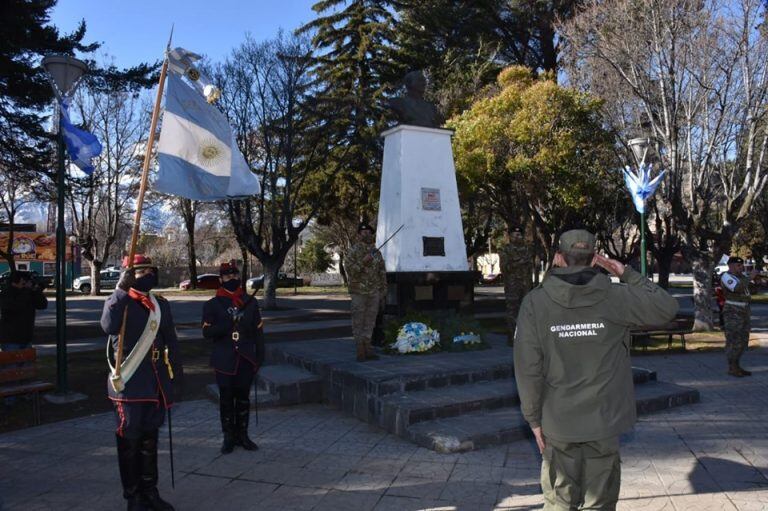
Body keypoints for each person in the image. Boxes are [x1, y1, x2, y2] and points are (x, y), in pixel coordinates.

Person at [514, 229, 678, 510]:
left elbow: (528, 368)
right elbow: (667, 307)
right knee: (599, 502)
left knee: (559, 502)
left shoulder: (535, 303)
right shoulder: (617, 297)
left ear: (558, 259)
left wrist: (533, 419)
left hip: (559, 420)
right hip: (604, 419)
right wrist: (626, 273)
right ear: (595, 261)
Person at [101, 255, 182, 511]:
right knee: (130, 443)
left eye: (149, 270)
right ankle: (133, 497)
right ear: (127, 276)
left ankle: (150, 491)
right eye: (140, 271)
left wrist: (176, 376)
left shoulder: (160, 305)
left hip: (155, 382)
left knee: (149, 441)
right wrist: (120, 291)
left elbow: (171, 340)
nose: (147, 274)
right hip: (130, 383)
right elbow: (107, 325)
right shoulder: (120, 303)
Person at [202, 262, 264, 454]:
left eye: (235, 276)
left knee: (243, 398)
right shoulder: (212, 304)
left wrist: (259, 357)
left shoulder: (251, 302)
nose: (232, 279)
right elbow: (207, 332)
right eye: (227, 277)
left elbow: (258, 333)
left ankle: (243, 435)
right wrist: (228, 323)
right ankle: (229, 437)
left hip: (245, 358)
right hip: (224, 359)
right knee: (226, 399)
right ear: (221, 280)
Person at [345, 222, 387, 362]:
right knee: (359, 320)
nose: (367, 234)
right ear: (359, 234)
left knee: (370, 321)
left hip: (374, 291)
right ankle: (360, 350)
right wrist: (363, 261)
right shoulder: (354, 250)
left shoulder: (377, 252)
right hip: (359, 291)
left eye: (369, 232)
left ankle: (368, 347)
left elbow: (381, 271)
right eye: (363, 232)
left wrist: (383, 290)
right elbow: (350, 271)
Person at [720, 256, 759, 377]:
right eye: (738, 265)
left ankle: (737, 365)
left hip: (744, 310)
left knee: (743, 340)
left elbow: (750, 291)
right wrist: (750, 277)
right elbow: (737, 288)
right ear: (730, 266)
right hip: (733, 310)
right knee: (734, 339)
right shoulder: (726, 277)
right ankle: (732, 367)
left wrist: (756, 282)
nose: (741, 267)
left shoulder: (741, 277)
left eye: (741, 265)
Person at [499, 228, 532, 344]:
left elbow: (531, 265)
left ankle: (526, 337)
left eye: (519, 235)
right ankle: (512, 337)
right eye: (515, 235)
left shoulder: (527, 249)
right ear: (510, 237)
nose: (518, 237)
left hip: (526, 284)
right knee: (512, 310)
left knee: (526, 310)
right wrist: (520, 262)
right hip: (512, 285)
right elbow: (504, 268)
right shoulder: (505, 250)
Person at [0, 270, 48, 351]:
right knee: (12, 363)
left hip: (26, 338)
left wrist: (36, 291)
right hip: (10, 339)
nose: (28, 282)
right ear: (18, 281)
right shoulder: (6, 293)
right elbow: (16, 306)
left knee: (26, 363)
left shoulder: (29, 292)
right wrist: (27, 290)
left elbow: (42, 305)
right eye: (25, 280)